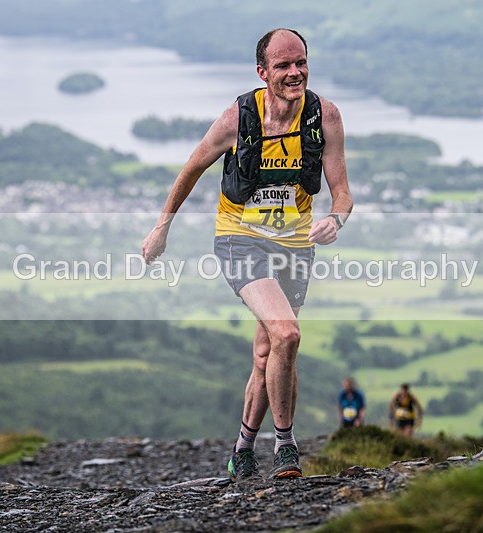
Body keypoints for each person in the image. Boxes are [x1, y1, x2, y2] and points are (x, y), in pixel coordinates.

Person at [142, 28, 352, 479]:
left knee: (269, 352)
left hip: (295, 244)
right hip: (239, 238)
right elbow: (192, 168)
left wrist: (335, 221)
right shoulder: (237, 119)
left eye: (301, 62)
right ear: (262, 72)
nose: (295, 72)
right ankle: (286, 447)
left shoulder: (326, 117)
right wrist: (162, 227)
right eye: (283, 66)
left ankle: (242, 449)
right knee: (288, 333)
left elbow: (342, 194)